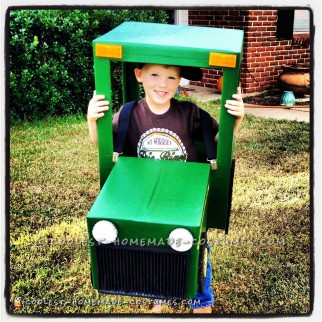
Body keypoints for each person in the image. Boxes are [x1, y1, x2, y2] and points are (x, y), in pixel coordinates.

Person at [87, 63, 244, 313]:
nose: (163, 84)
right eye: (155, 75)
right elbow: (105, 148)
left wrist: (234, 121)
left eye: (172, 77)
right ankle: (159, 298)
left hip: (183, 204)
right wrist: (92, 121)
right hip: (147, 203)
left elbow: (218, 141)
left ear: (179, 80)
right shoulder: (128, 114)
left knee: (195, 253)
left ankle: (201, 304)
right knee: (155, 254)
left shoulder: (189, 112)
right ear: (139, 76)